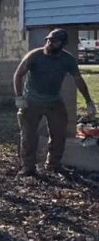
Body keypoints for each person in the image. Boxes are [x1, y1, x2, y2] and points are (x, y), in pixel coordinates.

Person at [13, 28, 96, 175]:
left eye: (54, 42)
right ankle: (28, 167)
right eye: (48, 40)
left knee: (59, 135)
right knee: (29, 136)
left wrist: (89, 101)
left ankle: (53, 164)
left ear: (62, 44)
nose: (49, 44)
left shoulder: (67, 59)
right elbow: (18, 75)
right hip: (32, 101)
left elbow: (78, 79)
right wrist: (19, 97)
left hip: (54, 102)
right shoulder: (35, 56)